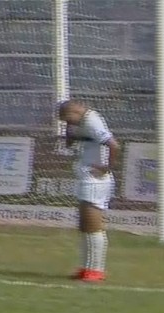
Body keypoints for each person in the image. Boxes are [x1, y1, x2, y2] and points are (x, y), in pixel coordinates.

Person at [58, 99, 121, 281]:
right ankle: (86, 267)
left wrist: (106, 167)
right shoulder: (81, 123)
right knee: (85, 225)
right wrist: (70, 131)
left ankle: (96, 269)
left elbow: (113, 145)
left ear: (77, 111)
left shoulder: (92, 121)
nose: (68, 123)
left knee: (93, 224)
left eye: (68, 119)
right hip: (86, 176)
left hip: (96, 179)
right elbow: (69, 144)